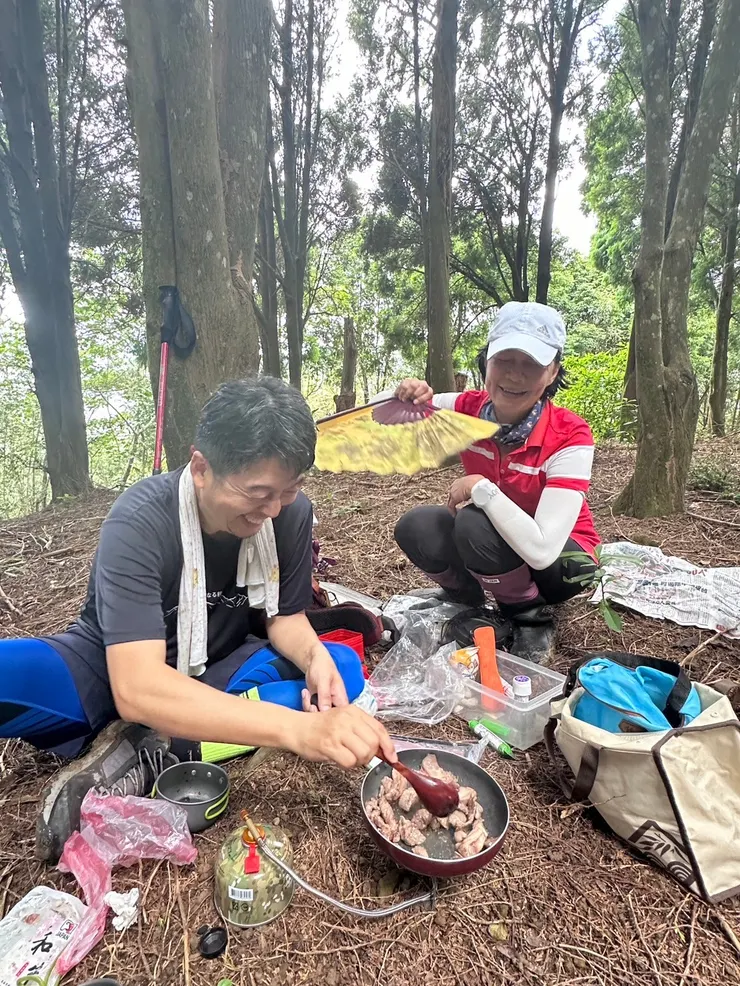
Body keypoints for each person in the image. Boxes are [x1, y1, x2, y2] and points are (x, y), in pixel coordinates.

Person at [0, 377, 395, 863]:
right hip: (108, 670)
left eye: (288, 490)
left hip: (219, 669)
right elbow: (136, 687)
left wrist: (313, 655)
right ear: (202, 468)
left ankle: (147, 751)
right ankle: (163, 742)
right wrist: (299, 731)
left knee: (342, 670)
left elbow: (285, 618)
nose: (272, 511)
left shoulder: (290, 516)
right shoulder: (141, 520)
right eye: (258, 492)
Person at [393, 301, 599, 664]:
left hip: (560, 561)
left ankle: (529, 617)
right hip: (493, 541)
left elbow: (542, 549)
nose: (515, 376)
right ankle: (465, 596)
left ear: (552, 373)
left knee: (474, 519)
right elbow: (384, 412)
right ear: (486, 360)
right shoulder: (465, 408)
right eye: (504, 360)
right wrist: (407, 393)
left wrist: (480, 488)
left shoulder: (570, 435)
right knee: (417, 526)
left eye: (531, 364)